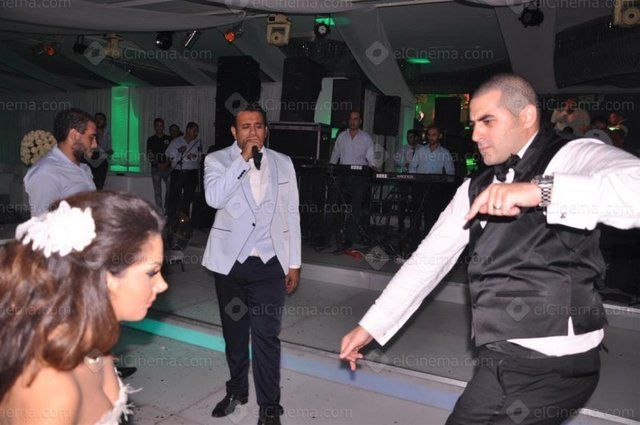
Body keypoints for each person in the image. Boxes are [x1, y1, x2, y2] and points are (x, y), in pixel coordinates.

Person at [340, 74, 640, 424]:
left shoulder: (574, 154)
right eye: (473, 125)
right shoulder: (475, 186)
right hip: (500, 359)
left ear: (526, 116)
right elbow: (427, 261)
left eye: (487, 121)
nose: (475, 135)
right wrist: (370, 326)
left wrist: (540, 191)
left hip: (556, 365)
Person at [0, 190, 168, 425]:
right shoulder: (53, 393)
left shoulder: (91, 337)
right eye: (151, 272)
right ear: (104, 278)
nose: (162, 285)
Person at [202, 103, 301, 425]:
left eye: (258, 125)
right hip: (231, 265)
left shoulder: (283, 163)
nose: (252, 131)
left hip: (270, 264)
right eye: (245, 126)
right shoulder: (217, 160)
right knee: (234, 334)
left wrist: (294, 262)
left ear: (266, 130)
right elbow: (214, 199)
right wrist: (242, 160)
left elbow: (292, 214)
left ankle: (269, 408)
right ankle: (237, 391)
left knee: (266, 336)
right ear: (234, 131)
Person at [24, 108, 97, 216]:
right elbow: (42, 220)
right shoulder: (47, 172)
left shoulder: (83, 168)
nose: (95, 145)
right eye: (91, 138)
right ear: (74, 135)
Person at [329, 111, 376, 247]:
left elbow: (371, 158)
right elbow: (335, 154)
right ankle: (333, 235)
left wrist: (374, 168)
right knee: (336, 205)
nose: (352, 121)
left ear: (360, 121)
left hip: (359, 177)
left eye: (355, 119)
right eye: (351, 119)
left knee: (355, 208)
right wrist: (331, 168)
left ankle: (350, 238)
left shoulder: (366, 138)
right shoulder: (341, 137)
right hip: (343, 175)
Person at [165, 122, 202, 223]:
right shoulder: (176, 141)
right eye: (194, 131)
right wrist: (178, 151)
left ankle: (185, 221)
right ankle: (171, 220)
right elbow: (168, 154)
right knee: (174, 196)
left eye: (197, 131)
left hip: (191, 173)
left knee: (188, 198)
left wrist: (195, 157)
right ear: (188, 130)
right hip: (178, 172)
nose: (196, 133)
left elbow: (199, 158)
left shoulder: (197, 143)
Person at [394, 129, 419, 232]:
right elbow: (396, 160)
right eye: (408, 137)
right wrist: (404, 164)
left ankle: (414, 225)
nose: (409, 139)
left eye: (411, 137)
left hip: (417, 177)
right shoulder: (403, 148)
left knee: (416, 201)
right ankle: (401, 224)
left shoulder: (422, 149)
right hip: (405, 175)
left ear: (416, 138)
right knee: (402, 201)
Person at [146, 117, 172, 212]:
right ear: (154, 127)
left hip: (168, 168)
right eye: (157, 126)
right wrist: (158, 165)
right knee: (157, 191)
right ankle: (160, 211)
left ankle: (167, 208)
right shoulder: (151, 139)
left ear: (163, 126)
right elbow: (149, 154)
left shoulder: (169, 139)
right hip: (156, 168)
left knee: (170, 189)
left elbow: (172, 153)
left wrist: (166, 164)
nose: (159, 127)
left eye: (161, 125)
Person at [87, 112, 113, 190]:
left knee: (100, 183)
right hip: (92, 159)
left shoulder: (107, 132)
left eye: (100, 119)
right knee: (92, 183)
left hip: (103, 160)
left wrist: (109, 151)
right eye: (96, 119)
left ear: (104, 121)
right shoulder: (91, 132)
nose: (98, 121)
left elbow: (108, 148)